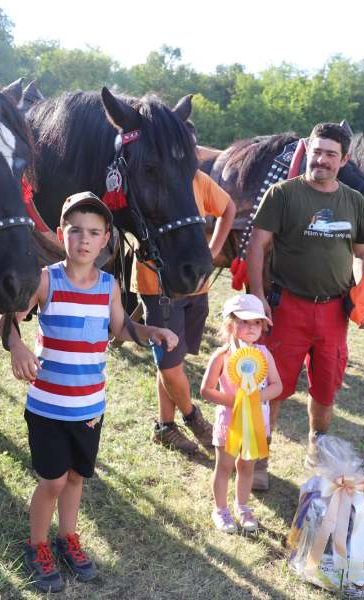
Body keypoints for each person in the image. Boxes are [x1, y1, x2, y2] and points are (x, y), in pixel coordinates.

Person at [4, 192, 178, 593]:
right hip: (48, 406)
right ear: (61, 233)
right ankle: (37, 545)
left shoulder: (108, 285)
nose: (84, 239)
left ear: (105, 241)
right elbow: (9, 321)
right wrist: (17, 346)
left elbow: (122, 329)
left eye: (94, 232)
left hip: (88, 406)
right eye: (76, 230)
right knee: (52, 481)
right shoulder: (45, 279)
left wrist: (153, 331)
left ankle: (68, 537)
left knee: (76, 478)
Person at [246, 122, 364, 474]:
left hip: (334, 312)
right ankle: (260, 457)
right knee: (274, 385)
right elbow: (257, 244)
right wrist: (257, 296)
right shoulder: (283, 194)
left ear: (344, 160)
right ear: (308, 151)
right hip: (287, 307)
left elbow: (363, 253)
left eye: (331, 154)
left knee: (326, 388)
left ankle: (317, 447)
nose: (322, 160)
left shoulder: (354, 201)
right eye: (317, 152)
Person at [137, 121, 236, 454]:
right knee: (169, 364)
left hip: (197, 286)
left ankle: (164, 427)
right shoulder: (152, 178)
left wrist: (212, 251)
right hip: (159, 286)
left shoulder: (198, 180)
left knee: (173, 362)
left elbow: (228, 208)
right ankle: (194, 418)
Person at [199, 294, 282, 533]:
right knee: (224, 466)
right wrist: (236, 402)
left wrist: (256, 399)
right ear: (229, 325)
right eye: (244, 321)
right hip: (229, 422)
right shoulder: (222, 355)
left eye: (256, 322)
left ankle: (242, 506)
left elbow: (277, 385)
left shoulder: (264, 354)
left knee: (247, 466)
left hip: (256, 422)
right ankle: (220, 510)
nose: (251, 327)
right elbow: (206, 390)